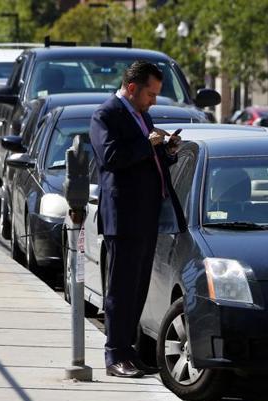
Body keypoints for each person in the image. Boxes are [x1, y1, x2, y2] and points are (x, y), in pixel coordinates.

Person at [89, 61, 186, 378]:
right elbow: (112, 158)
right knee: (120, 288)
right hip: (123, 216)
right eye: (150, 93)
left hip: (145, 215)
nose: (153, 101)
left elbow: (148, 157)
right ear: (132, 88)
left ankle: (128, 351)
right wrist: (148, 144)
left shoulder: (141, 115)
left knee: (138, 288)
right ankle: (114, 354)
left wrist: (167, 150)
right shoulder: (106, 115)